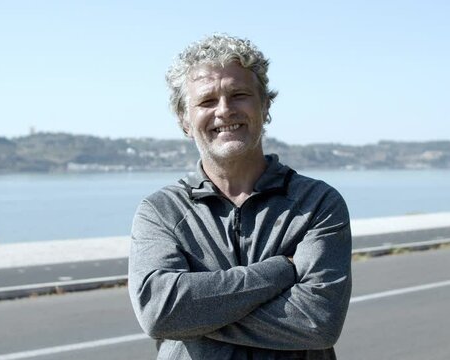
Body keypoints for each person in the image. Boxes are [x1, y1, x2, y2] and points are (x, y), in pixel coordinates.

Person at [128, 33, 352, 359]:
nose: (224, 110)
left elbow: (318, 321)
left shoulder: (316, 203)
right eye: (206, 101)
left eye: (239, 95)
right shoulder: (161, 211)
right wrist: (278, 271)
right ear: (185, 121)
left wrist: (194, 315)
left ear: (264, 105)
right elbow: (159, 311)